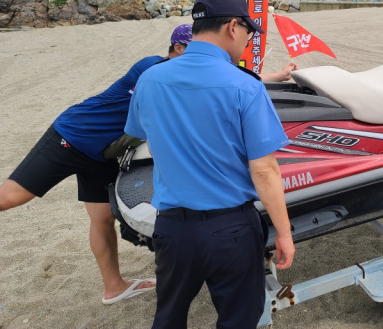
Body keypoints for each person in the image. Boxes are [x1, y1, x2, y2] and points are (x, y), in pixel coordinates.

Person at [0, 22, 296, 306]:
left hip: (104, 152)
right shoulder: (151, 68)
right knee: (11, 197)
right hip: (73, 135)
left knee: (102, 219)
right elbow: (215, 77)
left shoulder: (181, 70)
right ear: (178, 48)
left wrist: (274, 76)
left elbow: (220, 76)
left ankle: (113, 286)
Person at [125, 0, 295, 329]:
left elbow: (146, 135)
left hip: (171, 229)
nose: (248, 40)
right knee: (238, 318)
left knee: (169, 316)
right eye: (248, 31)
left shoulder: (150, 78)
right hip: (230, 228)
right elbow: (264, 169)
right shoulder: (245, 85)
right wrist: (284, 232)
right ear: (233, 26)